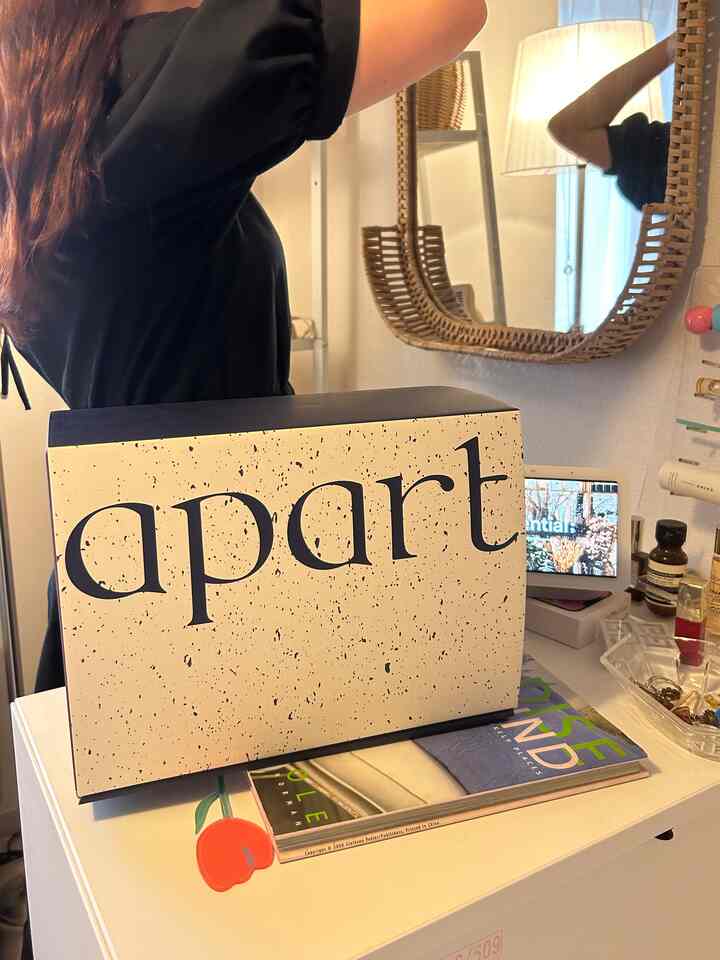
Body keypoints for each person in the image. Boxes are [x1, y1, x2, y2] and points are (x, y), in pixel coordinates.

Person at [0, 0, 490, 695]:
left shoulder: (47, 121)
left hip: (140, 562)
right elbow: (453, 12)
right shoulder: (159, 85)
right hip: (210, 578)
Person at [548, 33, 676, 211]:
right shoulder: (652, 166)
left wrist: (676, 45)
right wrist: (677, 43)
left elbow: (567, 128)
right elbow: (568, 128)